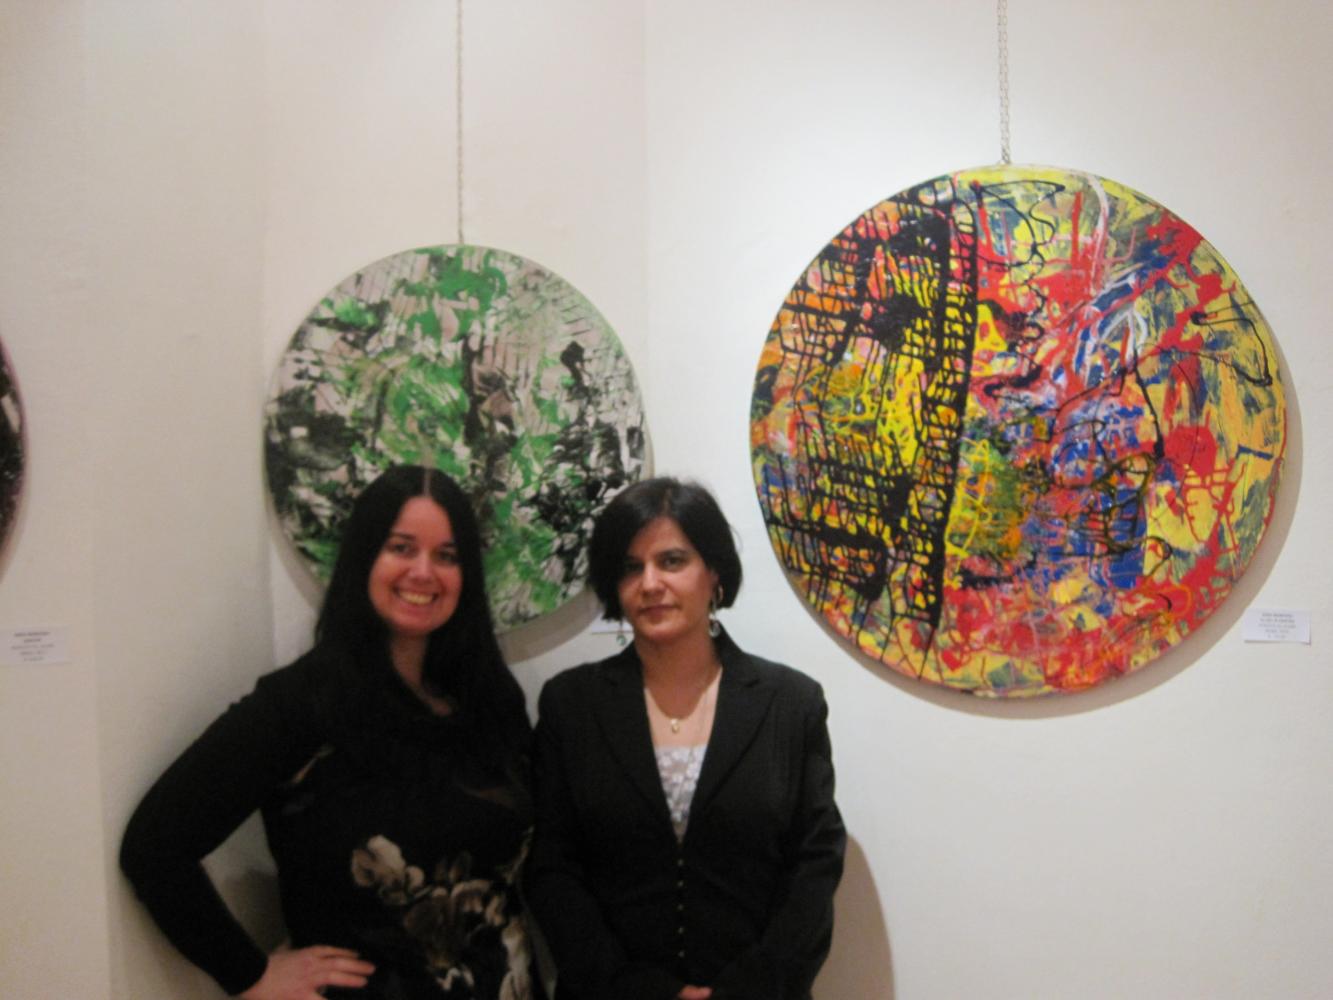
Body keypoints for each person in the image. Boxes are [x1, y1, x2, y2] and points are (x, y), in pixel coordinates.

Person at [121, 465, 539, 1000]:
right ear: (364, 556)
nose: (423, 572)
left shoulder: (491, 699)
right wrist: (249, 974)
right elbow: (154, 847)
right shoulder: (304, 703)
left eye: (447, 555)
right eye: (401, 548)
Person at [524, 477, 845, 1000]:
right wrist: (636, 989)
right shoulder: (572, 706)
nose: (650, 583)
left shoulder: (790, 703)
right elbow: (552, 868)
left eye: (672, 561)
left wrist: (749, 988)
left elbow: (815, 866)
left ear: (713, 571)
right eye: (631, 567)